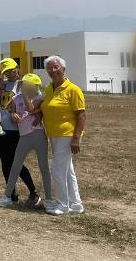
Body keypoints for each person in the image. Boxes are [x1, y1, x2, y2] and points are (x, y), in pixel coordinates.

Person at [0, 73, 52, 210]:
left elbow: (31, 108)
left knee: (44, 167)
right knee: (15, 165)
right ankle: (7, 196)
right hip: (24, 136)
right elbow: (13, 113)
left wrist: (25, 95)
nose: (24, 87)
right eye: (23, 84)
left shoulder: (40, 97)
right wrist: (13, 115)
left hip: (38, 135)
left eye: (27, 85)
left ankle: (49, 200)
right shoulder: (15, 98)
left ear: (35, 86)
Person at [39, 55, 86, 216]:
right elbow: (44, 107)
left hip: (67, 134)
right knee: (67, 171)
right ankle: (76, 204)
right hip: (53, 134)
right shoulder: (48, 88)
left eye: (56, 67)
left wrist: (76, 138)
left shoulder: (73, 89)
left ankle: (62, 204)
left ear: (63, 69)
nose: (53, 70)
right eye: (49, 68)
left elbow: (81, 115)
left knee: (57, 170)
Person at [0, 58, 39, 205]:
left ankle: (33, 192)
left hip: (17, 130)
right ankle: (10, 195)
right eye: (6, 72)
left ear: (17, 68)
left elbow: (36, 103)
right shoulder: (2, 85)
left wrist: (16, 113)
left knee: (15, 162)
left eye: (12, 70)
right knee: (5, 162)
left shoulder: (25, 84)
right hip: (0, 129)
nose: (10, 74)